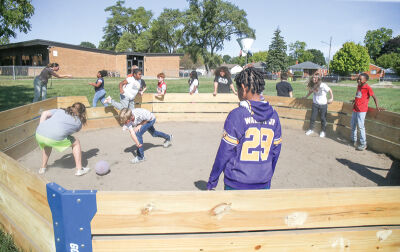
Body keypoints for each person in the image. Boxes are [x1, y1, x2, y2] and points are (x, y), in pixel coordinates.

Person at [207, 67, 282, 190]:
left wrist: (212, 180)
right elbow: (276, 151)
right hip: (263, 182)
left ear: (243, 88)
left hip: (237, 183)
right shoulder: (274, 115)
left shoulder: (237, 115)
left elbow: (225, 151)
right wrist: (267, 174)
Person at [35, 102, 90, 176]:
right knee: (76, 142)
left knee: (48, 143)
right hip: (53, 137)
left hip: (39, 133)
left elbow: (44, 113)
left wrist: (42, 126)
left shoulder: (60, 110)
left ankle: (43, 168)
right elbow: (66, 132)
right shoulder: (78, 123)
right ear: (82, 113)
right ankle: (79, 169)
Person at [351, 73, 384, 151]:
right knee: (353, 124)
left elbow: (374, 97)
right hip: (355, 109)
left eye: (360, 79)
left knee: (361, 126)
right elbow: (359, 95)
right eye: (358, 78)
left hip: (361, 110)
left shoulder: (368, 88)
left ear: (365, 80)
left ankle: (363, 144)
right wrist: (355, 100)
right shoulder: (359, 86)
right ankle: (353, 140)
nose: (358, 80)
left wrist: (377, 106)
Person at [304, 74, 334, 138]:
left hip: (323, 105)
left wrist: (331, 98)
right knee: (312, 117)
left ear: (318, 79)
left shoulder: (323, 85)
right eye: (313, 78)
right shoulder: (313, 85)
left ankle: (323, 131)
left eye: (315, 78)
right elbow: (310, 91)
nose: (313, 79)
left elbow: (330, 90)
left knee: (323, 118)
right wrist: (306, 97)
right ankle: (311, 129)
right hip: (315, 104)